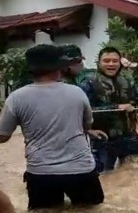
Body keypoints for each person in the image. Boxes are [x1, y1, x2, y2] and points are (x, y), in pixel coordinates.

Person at [0, 44, 105, 210]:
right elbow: (86, 124)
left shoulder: (16, 98)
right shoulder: (77, 92)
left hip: (41, 173)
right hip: (80, 170)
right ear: (59, 68)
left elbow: (3, 136)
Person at [81, 47, 138, 173]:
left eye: (115, 61)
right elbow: (84, 110)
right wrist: (116, 108)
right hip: (103, 139)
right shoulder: (89, 82)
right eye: (106, 61)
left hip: (129, 137)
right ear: (99, 63)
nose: (111, 64)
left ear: (120, 63)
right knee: (105, 177)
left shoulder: (127, 80)